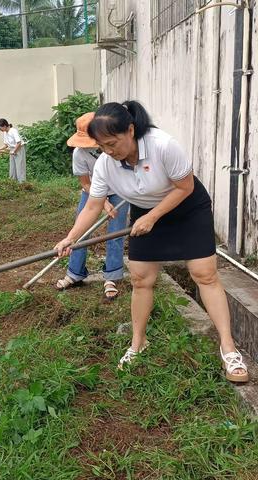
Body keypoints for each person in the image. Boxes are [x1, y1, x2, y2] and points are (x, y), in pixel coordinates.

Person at [55, 101, 248, 383]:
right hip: (147, 212)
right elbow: (93, 206)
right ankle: (137, 343)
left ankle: (228, 348)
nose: (109, 151)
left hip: (186, 208)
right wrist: (71, 238)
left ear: (130, 130)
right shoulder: (106, 164)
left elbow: (186, 187)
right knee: (140, 279)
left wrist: (154, 216)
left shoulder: (162, 145)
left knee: (204, 274)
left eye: (113, 143)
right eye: (102, 146)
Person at [55, 112, 129, 301]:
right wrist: (103, 201)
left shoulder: (115, 147)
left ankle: (112, 276)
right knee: (79, 233)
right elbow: (85, 183)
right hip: (92, 194)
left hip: (119, 193)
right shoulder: (80, 154)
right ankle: (75, 273)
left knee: (115, 233)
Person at [0, 118, 26, 183]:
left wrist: (14, 151)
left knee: (19, 167)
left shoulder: (13, 131)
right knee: (12, 167)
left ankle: (22, 184)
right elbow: (6, 145)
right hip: (12, 150)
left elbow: (19, 142)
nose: (0, 130)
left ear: (4, 126)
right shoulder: (5, 133)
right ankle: (12, 183)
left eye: (0, 128)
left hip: (19, 149)